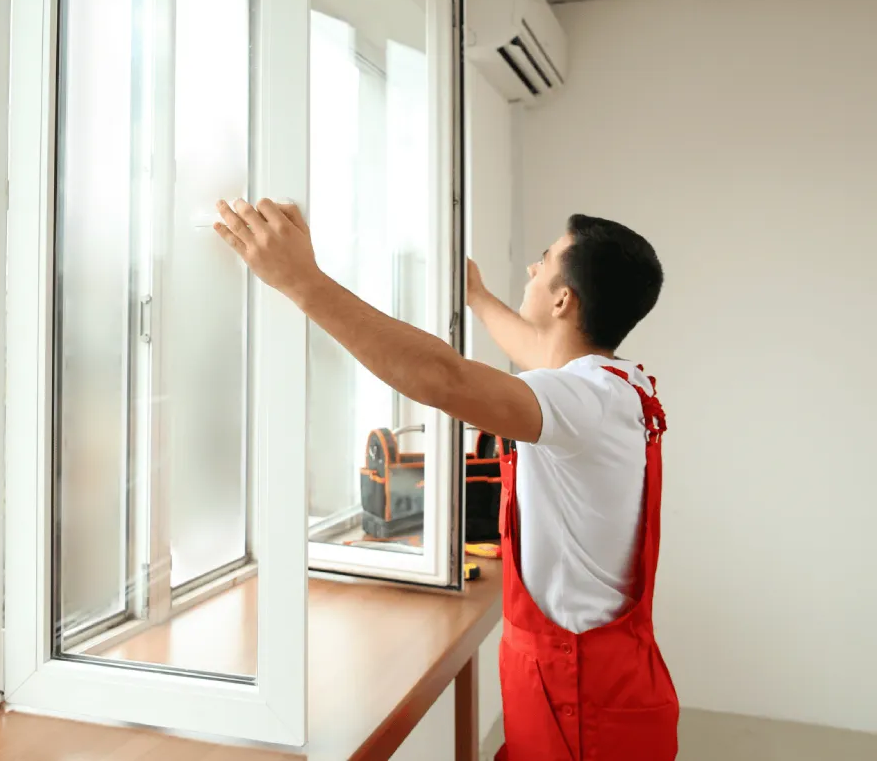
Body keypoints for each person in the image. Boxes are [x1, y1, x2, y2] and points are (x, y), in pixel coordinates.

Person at [213, 198, 678, 761]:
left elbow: (443, 378)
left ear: (563, 299)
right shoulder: (613, 384)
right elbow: (536, 351)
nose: (532, 267)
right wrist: (475, 296)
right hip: (600, 688)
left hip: (584, 712)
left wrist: (301, 281)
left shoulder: (580, 398)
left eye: (545, 258)